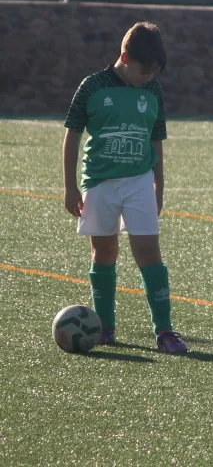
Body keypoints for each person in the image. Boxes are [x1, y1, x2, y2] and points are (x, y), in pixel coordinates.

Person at [61, 21, 187, 353]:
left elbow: (156, 139)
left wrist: (160, 183)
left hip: (138, 182)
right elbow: (72, 134)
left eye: (154, 72)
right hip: (100, 183)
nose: (149, 77)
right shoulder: (92, 86)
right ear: (125, 56)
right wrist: (70, 187)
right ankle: (104, 326)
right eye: (144, 70)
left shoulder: (153, 90)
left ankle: (164, 330)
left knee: (149, 252)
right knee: (104, 252)